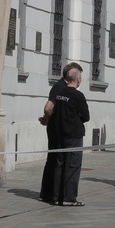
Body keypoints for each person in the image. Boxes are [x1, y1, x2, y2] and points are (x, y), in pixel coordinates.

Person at [39, 62, 89, 206]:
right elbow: (86, 116)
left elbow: (51, 108)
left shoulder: (59, 91)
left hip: (59, 132)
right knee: (72, 164)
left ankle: (54, 195)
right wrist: (49, 120)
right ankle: (67, 197)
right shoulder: (75, 94)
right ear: (77, 79)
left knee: (58, 163)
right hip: (71, 133)